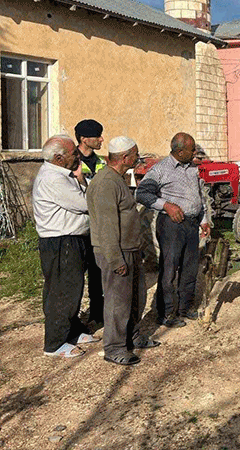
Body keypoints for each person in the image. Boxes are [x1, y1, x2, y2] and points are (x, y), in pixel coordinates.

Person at [88, 136, 160, 365]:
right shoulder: (106, 183)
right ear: (125, 157)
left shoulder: (117, 179)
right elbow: (107, 226)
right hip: (116, 251)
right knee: (117, 301)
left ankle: (132, 336)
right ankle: (115, 348)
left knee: (135, 296)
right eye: (135, 154)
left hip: (130, 249)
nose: (138, 159)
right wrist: (116, 259)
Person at [32, 135, 100, 358]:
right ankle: (54, 343)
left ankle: (71, 330)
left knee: (72, 289)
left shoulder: (63, 174)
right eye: (74, 153)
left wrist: (80, 180)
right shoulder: (53, 179)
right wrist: (83, 184)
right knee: (63, 292)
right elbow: (86, 203)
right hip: (62, 241)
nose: (78, 156)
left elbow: (84, 196)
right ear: (59, 158)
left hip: (71, 240)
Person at [135, 132, 210, 328]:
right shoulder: (160, 170)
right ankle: (166, 313)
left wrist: (204, 220)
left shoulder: (192, 169)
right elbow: (142, 193)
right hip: (171, 225)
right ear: (179, 151)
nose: (195, 152)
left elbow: (200, 198)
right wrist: (166, 205)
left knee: (190, 269)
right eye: (192, 149)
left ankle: (185, 308)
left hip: (191, 224)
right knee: (169, 270)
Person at [73, 119, 106, 326]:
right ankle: (73, 319)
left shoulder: (101, 161)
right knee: (75, 277)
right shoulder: (71, 161)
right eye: (97, 136)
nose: (102, 139)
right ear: (84, 139)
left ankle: (97, 314)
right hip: (78, 226)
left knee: (97, 272)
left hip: (98, 226)